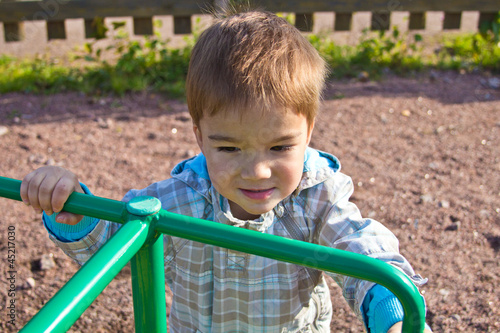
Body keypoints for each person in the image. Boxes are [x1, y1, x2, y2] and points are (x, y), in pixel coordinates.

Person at [20, 9, 432, 333]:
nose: (256, 170)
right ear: (199, 137)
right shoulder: (180, 199)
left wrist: (390, 309)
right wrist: (74, 209)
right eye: (230, 147)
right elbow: (115, 249)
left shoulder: (316, 195)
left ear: (309, 133)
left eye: (281, 146)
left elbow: (362, 247)